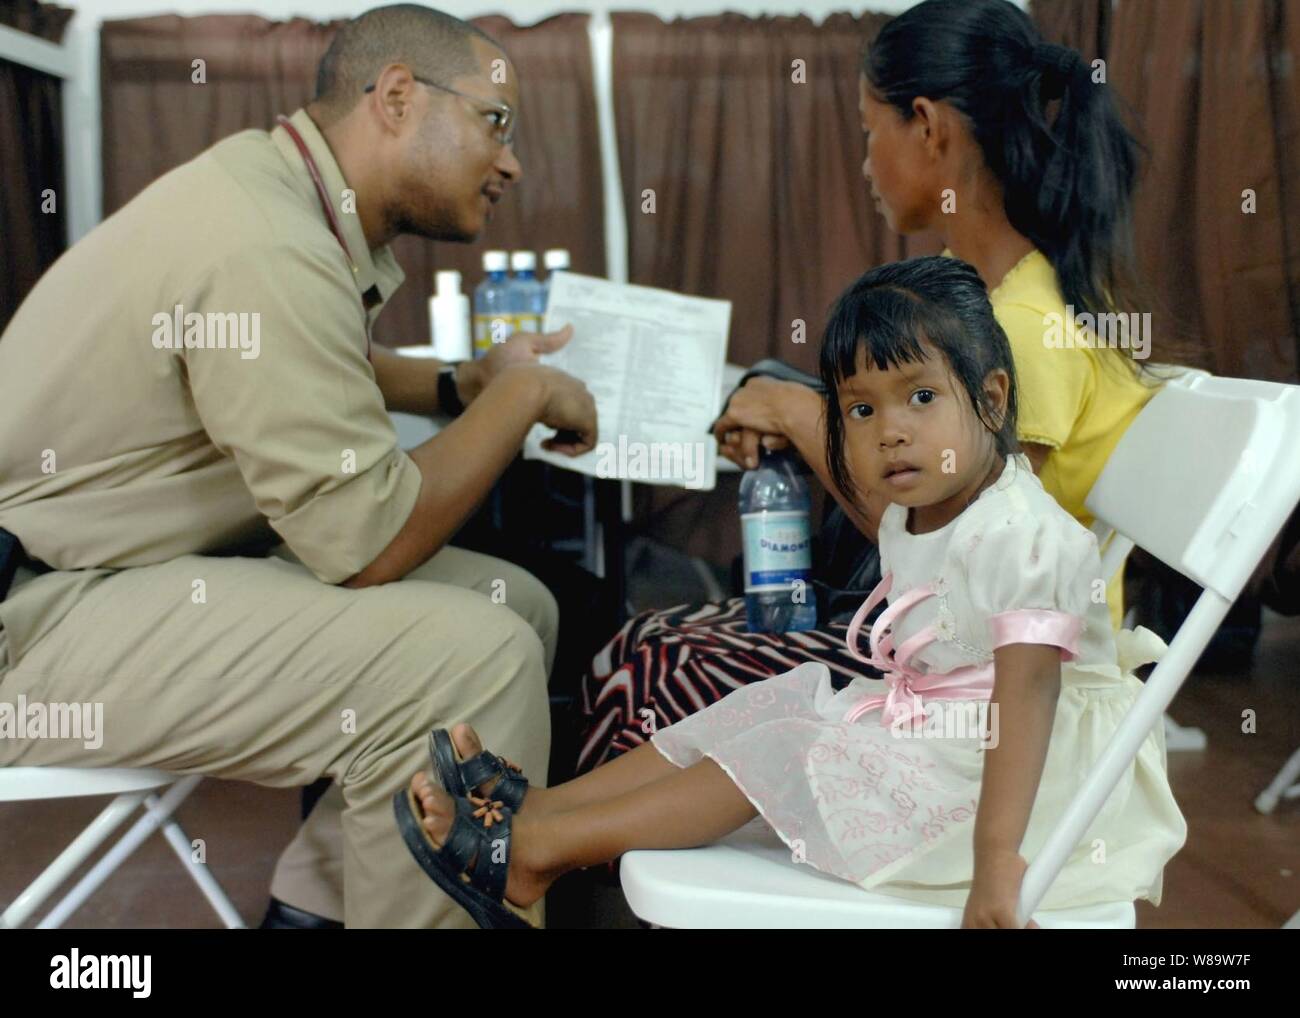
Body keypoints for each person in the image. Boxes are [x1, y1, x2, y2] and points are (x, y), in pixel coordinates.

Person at [0, 5, 595, 929]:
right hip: (30, 622)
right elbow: (369, 545)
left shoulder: (268, 190)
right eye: (497, 121)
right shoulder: (264, 241)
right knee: (467, 660)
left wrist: (458, 383)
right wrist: (516, 401)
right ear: (397, 96)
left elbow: (293, 360)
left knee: (514, 605)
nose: (511, 161)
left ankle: (316, 912)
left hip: (94, 574)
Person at [400, 255, 1188, 929]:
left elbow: (1027, 703)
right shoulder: (927, 509)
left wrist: (996, 860)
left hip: (1033, 786)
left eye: (921, 397)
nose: (890, 430)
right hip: (957, 736)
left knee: (797, 744)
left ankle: (537, 854)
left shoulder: (1026, 535)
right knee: (783, 697)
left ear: (991, 399)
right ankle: (543, 813)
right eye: (860, 408)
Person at [581, 0, 1173, 772]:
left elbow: (949, 557)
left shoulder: (1025, 326)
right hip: (949, 648)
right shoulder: (996, 299)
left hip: (981, 683)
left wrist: (799, 414)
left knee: (648, 661)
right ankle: (551, 854)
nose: (864, 162)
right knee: (644, 645)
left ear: (928, 128)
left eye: (870, 131)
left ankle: (562, 865)